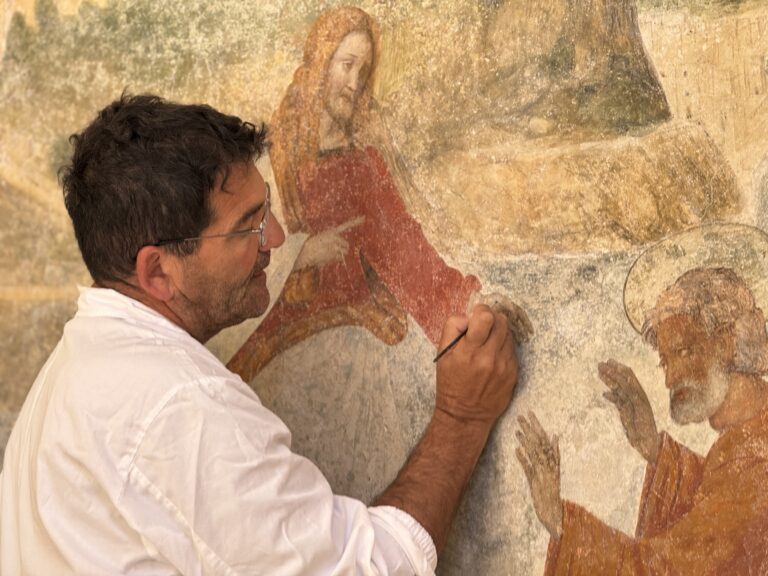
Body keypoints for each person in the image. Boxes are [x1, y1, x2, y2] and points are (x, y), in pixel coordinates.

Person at [0, 94, 527, 575]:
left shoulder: (72, 373)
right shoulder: (179, 405)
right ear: (158, 272)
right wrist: (462, 417)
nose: (275, 238)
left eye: (267, 208)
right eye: (248, 225)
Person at [227, 7, 527, 382]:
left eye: (363, 71)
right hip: (283, 317)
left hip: (354, 313)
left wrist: (469, 303)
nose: (355, 82)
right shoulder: (273, 151)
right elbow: (232, 243)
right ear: (322, 64)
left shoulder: (364, 156)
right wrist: (302, 252)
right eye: (346, 65)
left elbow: (403, 240)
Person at [517, 267, 768, 575]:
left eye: (685, 351)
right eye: (665, 361)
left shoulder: (756, 460)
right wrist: (655, 449)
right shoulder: (746, 440)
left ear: (728, 343)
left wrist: (560, 521)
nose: (671, 378)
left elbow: (669, 569)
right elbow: (714, 508)